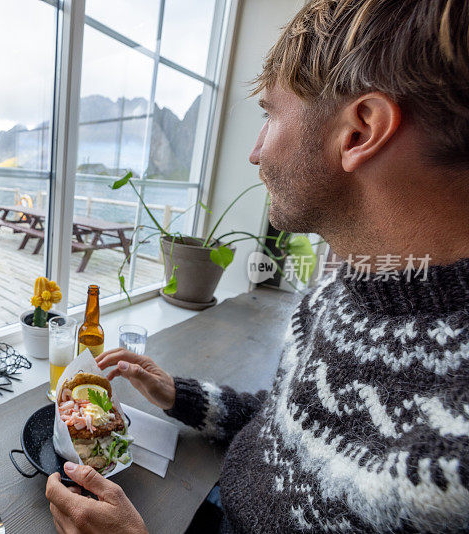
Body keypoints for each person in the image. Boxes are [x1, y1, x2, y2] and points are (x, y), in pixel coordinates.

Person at [45, 0, 469, 532]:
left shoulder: (455, 451)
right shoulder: (338, 290)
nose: (254, 152)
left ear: (360, 131)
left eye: (270, 115)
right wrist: (183, 396)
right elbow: (295, 427)